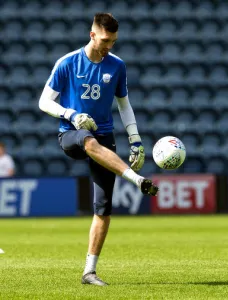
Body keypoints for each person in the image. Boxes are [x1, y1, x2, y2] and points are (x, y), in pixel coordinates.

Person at [39, 12, 159, 286]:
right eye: (105, 40)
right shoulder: (67, 63)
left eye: (113, 41)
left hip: (105, 136)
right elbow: (44, 102)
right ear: (92, 34)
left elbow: (124, 105)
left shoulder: (117, 66)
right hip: (71, 134)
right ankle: (137, 180)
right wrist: (71, 114)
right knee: (87, 140)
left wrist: (135, 138)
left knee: (103, 208)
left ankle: (89, 272)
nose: (109, 46)